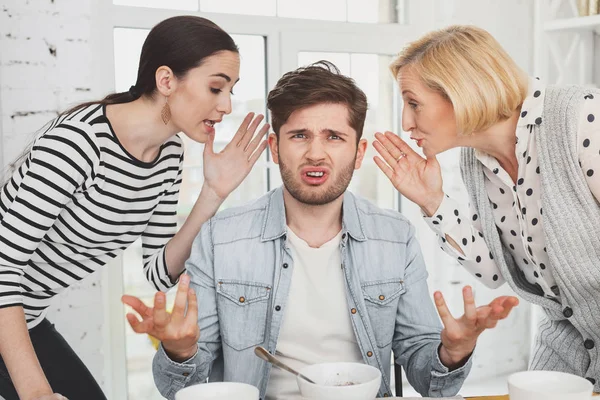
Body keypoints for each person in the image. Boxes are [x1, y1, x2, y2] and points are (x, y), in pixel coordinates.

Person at [125, 61, 518, 400]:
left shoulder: (395, 237)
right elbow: (178, 388)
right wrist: (179, 350)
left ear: (358, 151)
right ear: (275, 149)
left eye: (334, 137)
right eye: (300, 136)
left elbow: (432, 382)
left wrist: (452, 352)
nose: (316, 153)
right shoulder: (220, 238)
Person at [0, 16, 269, 400]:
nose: (226, 105)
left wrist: (212, 193)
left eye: (230, 91)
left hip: (24, 318)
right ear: (166, 81)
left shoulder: (169, 155)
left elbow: (160, 271)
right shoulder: (78, 143)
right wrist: (36, 392)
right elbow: (2, 267)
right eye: (215, 88)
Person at [373, 25, 600, 388]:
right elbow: (497, 271)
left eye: (413, 103)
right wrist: (433, 201)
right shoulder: (474, 162)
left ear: (460, 90)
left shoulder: (580, 118)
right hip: (566, 345)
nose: (405, 122)